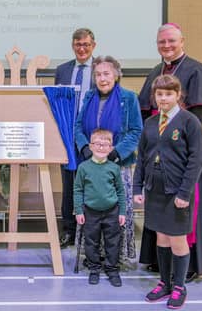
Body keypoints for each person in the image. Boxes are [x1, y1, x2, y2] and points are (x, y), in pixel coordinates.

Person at [138, 23, 202, 282]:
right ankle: (159, 263)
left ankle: (189, 264)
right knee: (160, 208)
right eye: (162, 42)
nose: (167, 46)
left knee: (185, 207)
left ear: (182, 41)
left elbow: (196, 117)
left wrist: (177, 142)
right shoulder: (155, 72)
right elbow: (145, 113)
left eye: (171, 41)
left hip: (182, 154)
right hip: (156, 154)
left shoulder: (197, 69)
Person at [134, 74, 202, 309]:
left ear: (178, 95)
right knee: (161, 238)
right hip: (155, 190)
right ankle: (164, 283)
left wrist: (185, 193)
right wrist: (138, 187)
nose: (163, 98)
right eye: (159, 94)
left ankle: (179, 286)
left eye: (168, 94)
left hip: (177, 191)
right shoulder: (150, 123)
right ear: (154, 97)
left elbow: (196, 161)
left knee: (177, 240)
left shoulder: (189, 122)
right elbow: (143, 157)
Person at [74, 56, 142, 265]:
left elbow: (135, 130)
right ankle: (94, 257)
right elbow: (77, 127)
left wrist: (115, 154)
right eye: (98, 74)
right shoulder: (88, 97)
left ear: (116, 75)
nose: (102, 78)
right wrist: (85, 148)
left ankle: (115, 257)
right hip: (91, 166)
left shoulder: (129, 97)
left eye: (106, 73)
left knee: (115, 214)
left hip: (117, 166)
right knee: (92, 213)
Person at [54, 27, 96, 248]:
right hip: (68, 136)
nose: (82, 49)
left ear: (93, 46)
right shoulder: (62, 70)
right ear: (73, 46)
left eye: (86, 45)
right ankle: (69, 230)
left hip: (93, 137)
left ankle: (90, 231)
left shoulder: (103, 69)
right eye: (78, 44)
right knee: (69, 185)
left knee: (93, 184)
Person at [74, 129, 126, 287]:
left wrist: (122, 212)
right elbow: (78, 190)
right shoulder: (83, 168)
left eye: (105, 145)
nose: (101, 148)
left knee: (113, 242)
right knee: (91, 242)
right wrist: (78, 210)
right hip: (90, 212)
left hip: (112, 211)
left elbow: (120, 191)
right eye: (97, 144)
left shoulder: (114, 168)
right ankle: (94, 269)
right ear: (90, 146)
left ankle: (112, 270)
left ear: (111, 148)